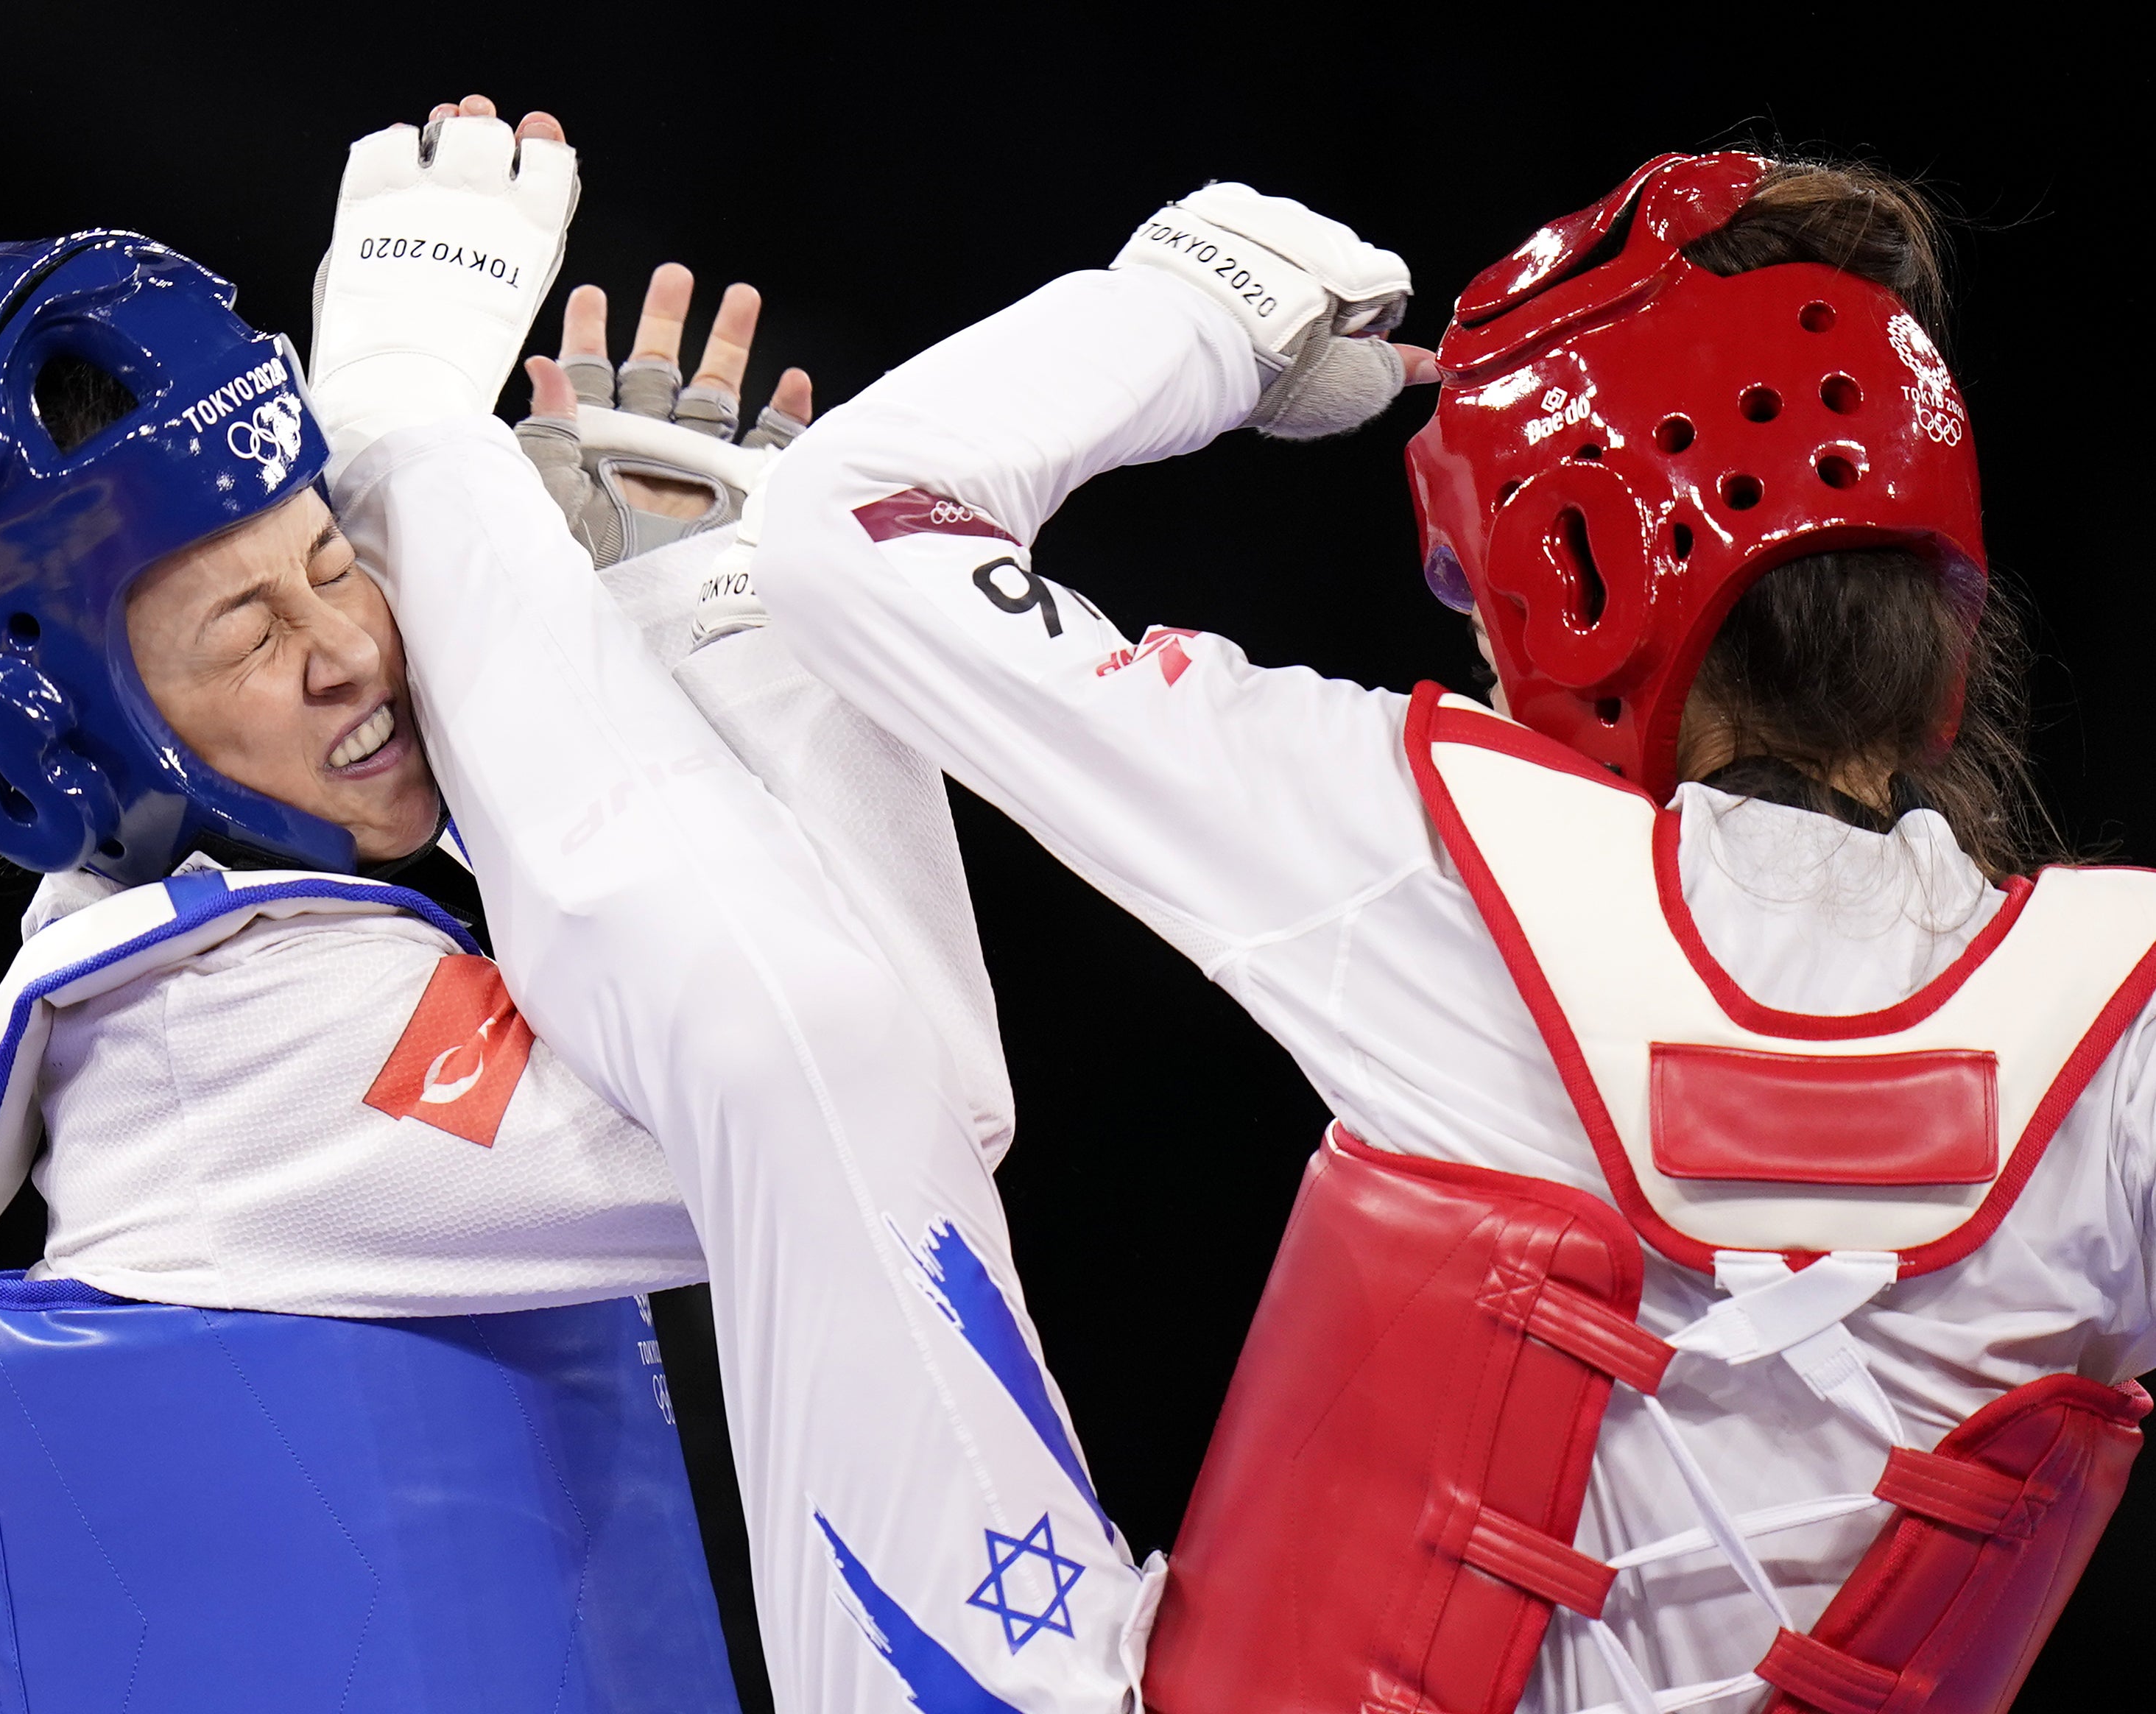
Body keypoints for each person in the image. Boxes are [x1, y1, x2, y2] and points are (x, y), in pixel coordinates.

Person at [748, 153, 2152, 1714]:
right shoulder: (2121, 1030)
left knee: (806, 1074)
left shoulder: (1433, 856)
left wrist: (1195, 317)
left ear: (1575, 579)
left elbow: (839, 529)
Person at [309, 96, 1160, 1713]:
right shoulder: (181, 1021)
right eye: (249, 614)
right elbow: (839, 1103)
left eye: (338, 566)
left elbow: (895, 1142)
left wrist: (701, 647)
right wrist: (406, 441)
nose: (355, 642)